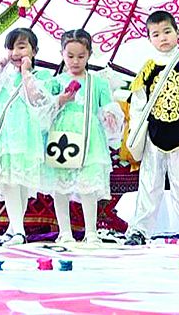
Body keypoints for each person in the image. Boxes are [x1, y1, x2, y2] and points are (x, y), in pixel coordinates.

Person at [123, 11, 179, 246]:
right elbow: (138, 105)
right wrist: (136, 132)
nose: (163, 38)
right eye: (156, 34)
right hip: (155, 135)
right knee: (149, 184)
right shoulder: (147, 69)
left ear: (177, 32)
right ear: (149, 39)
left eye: (167, 32)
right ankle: (139, 230)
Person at [0, 28, 55, 246]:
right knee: (9, 181)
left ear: (34, 51)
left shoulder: (42, 76)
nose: (15, 53)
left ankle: (17, 231)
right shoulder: (5, 76)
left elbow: (37, 100)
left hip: (24, 134)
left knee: (19, 182)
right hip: (1, 135)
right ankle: (15, 230)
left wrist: (27, 72)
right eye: (10, 48)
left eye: (21, 47)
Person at [43, 29, 123, 244]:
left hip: (90, 136)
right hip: (61, 134)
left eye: (81, 56)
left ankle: (91, 232)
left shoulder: (98, 82)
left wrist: (109, 115)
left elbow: (107, 106)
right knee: (60, 185)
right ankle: (65, 232)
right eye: (70, 56)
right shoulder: (56, 82)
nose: (75, 61)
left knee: (89, 184)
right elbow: (43, 109)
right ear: (62, 54)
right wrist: (60, 100)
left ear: (89, 55)